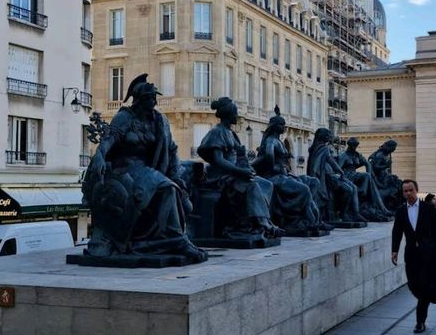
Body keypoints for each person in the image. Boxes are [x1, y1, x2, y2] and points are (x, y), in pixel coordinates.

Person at [82, 74, 207, 263]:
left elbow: (171, 150)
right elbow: (109, 140)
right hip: (124, 169)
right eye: (150, 98)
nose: (154, 102)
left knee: (171, 187)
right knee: (166, 189)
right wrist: (99, 157)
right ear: (140, 100)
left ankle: (166, 240)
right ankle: (177, 240)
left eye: (154, 98)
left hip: (147, 169)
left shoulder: (159, 121)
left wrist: (178, 176)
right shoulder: (125, 117)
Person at [197, 97, 282, 241]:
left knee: (266, 184)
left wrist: (246, 168)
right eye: (235, 113)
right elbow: (218, 160)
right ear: (229, 114)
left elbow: (238, 157)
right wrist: (240, 171)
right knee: (252, 185)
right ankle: (260, 223)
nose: (237, 116)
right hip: (221, 176)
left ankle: (263, 221)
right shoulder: (217, 132)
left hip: (234, 173)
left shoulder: (231, 133)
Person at [252, 107, 330, 234]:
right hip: (275, 177)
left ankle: (314, 219)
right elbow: (268, 158)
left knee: (314, 182)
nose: (284, 126)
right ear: (275, 126)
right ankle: (301, 221)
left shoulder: (279, 141)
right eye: (281, 124)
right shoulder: (271, 141)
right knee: (304, 189)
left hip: (285, 175)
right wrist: (277, 168)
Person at [391, 179, 436, 333]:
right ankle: (427, 297)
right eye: (405, 191)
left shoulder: (428, 208)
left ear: (416, 190)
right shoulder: (400, 211)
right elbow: (397, 232)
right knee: (413, 285)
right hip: (411, 254)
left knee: (424, 287)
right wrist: (394, 250)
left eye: (410, 190)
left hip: (428, 254)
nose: (408, 193)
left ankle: (420, 322)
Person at [307, 128, 365, 224]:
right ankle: (344, 213)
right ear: (323, 136)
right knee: (349, 189)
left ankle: (353, 213)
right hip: (327, 177)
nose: (330, 137)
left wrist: (340, 172)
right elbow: (328, 163)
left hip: (331, 175)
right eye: (329, 136)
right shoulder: (323, 148)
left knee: (353, 187)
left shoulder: (317, 148)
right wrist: (341, 172)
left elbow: (329, 162)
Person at [338, 138, 391, 221]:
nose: (355, 147)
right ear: (350, 145)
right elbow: (338, 169)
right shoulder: (343, 156)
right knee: (368, 178)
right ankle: (382, 208)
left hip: (354, 175)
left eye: (356, 145)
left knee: (367, 176)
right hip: (346, 176)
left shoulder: (357, 155)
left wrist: (369, 174)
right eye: (354, 145)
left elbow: (367, 164)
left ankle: (365, 192)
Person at [369, 140, 403, 211]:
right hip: (379, 178)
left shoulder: (386, 155)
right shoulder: (380, 155)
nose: (393, 150)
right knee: (397, 187)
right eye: (393, 148)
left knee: (400, 184)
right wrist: (386, 166)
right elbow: (375, 167)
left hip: (385, 176)